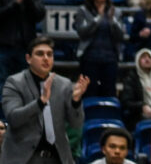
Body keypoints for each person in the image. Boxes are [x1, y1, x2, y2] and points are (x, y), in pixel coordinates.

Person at [0, 36, 88, 164]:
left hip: (57, 157)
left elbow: (76, 124)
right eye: (40, 54)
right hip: (24, 158)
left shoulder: (64, 84)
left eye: (49, 54)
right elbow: (14, 118)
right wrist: (40, 102)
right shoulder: (14, 83)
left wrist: (76, 102)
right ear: (28, 59)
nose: (46, 58)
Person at [0, 0, 45, 87]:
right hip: (3, 47)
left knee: (25, 86)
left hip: (26, 47)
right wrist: (16, 3)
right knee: (3, 86)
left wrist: (28, 0)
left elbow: (39, 15)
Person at [74, 0, 125, 97]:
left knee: (109, 91)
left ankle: (109, 115)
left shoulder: (115, 12)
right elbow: (82, 32)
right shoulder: (83, 10)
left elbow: (120, 35)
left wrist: (112, 21)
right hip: (90, 58)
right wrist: (98, 18)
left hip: (110, 58)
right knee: (90, 91)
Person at [121, 48, 151, 129]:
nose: (147, 59)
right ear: (138, 60)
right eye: (143, 57)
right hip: (138, 117)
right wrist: (142, 107)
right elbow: (126, 102)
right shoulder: (131, 78)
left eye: (149, 57)